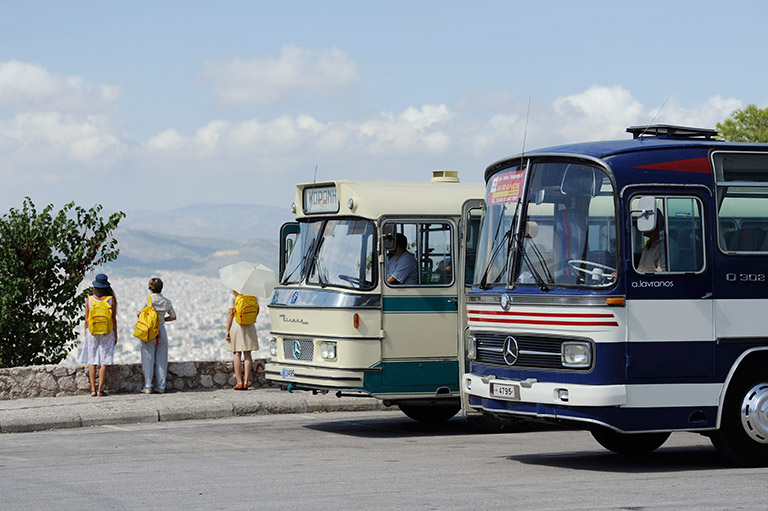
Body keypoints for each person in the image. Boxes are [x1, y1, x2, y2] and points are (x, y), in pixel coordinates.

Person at [79, 273, 117, 397]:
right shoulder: (111, 299)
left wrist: (86, 332)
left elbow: (86, 318)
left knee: (92, 360)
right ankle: (100, 390)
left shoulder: (89, 299)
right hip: (107, 332)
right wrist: (115, 334)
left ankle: (92, 390)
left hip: (92, 332)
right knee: (104, 361)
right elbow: (113, 318)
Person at [139, 277, 177, 394]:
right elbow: (173, 316)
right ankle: (161, 386)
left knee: (148, 357)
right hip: (161, 328)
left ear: (150, 288)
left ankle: (148, 386)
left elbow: (139, 313)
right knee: (162, 358)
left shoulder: (148, 300)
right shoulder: (167, 301)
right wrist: (162, 320)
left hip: (149, 330)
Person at [226, 291, 259, 390]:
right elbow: (257, 310)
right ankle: (246, 382)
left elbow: (230, 312)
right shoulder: (252, 293)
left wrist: (227, 329)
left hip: (237, 324)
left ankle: (239, 382)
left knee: (237, 353)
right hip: (250, 325)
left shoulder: (234, 294)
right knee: (248, 354)